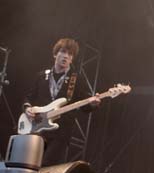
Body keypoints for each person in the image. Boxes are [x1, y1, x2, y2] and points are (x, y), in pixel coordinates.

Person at [23, 38, 101, 166]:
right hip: (37, 129)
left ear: (72, 59)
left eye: (70, 54)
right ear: (55, 54)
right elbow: (29, 97)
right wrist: (27, 108)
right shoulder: (41, 76)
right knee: (30, 165)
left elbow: (84, 107)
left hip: (60, 134)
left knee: (46, 168)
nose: (66, 56)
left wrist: (93, 104)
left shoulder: (77, 80)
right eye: (63, 52)